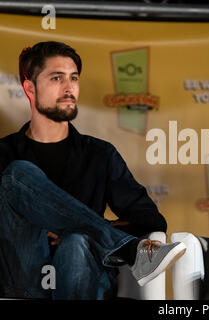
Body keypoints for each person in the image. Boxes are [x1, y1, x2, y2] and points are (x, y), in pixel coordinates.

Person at [0, 41, 186, 299]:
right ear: (29, 87)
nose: (69, 88)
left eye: (73, 78)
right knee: (16, 174)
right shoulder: (3, 153)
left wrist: (81, 229)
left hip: (85, 275)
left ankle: (111, 243)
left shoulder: (99, 155)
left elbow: (150, 220)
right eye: (56, 78)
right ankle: (132, 251)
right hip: (26, 280)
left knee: (75, 241)